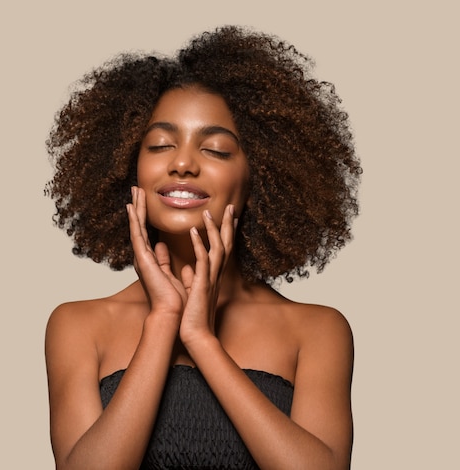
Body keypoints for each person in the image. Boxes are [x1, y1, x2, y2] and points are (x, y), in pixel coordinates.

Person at [44, 25, 361, 469]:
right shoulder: (78, 325)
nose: (181, 163)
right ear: (129, 171)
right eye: (160, 145)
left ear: (258, 181)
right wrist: (163, 321)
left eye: (214, 149)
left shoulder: (316, 331)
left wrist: (201, 339)